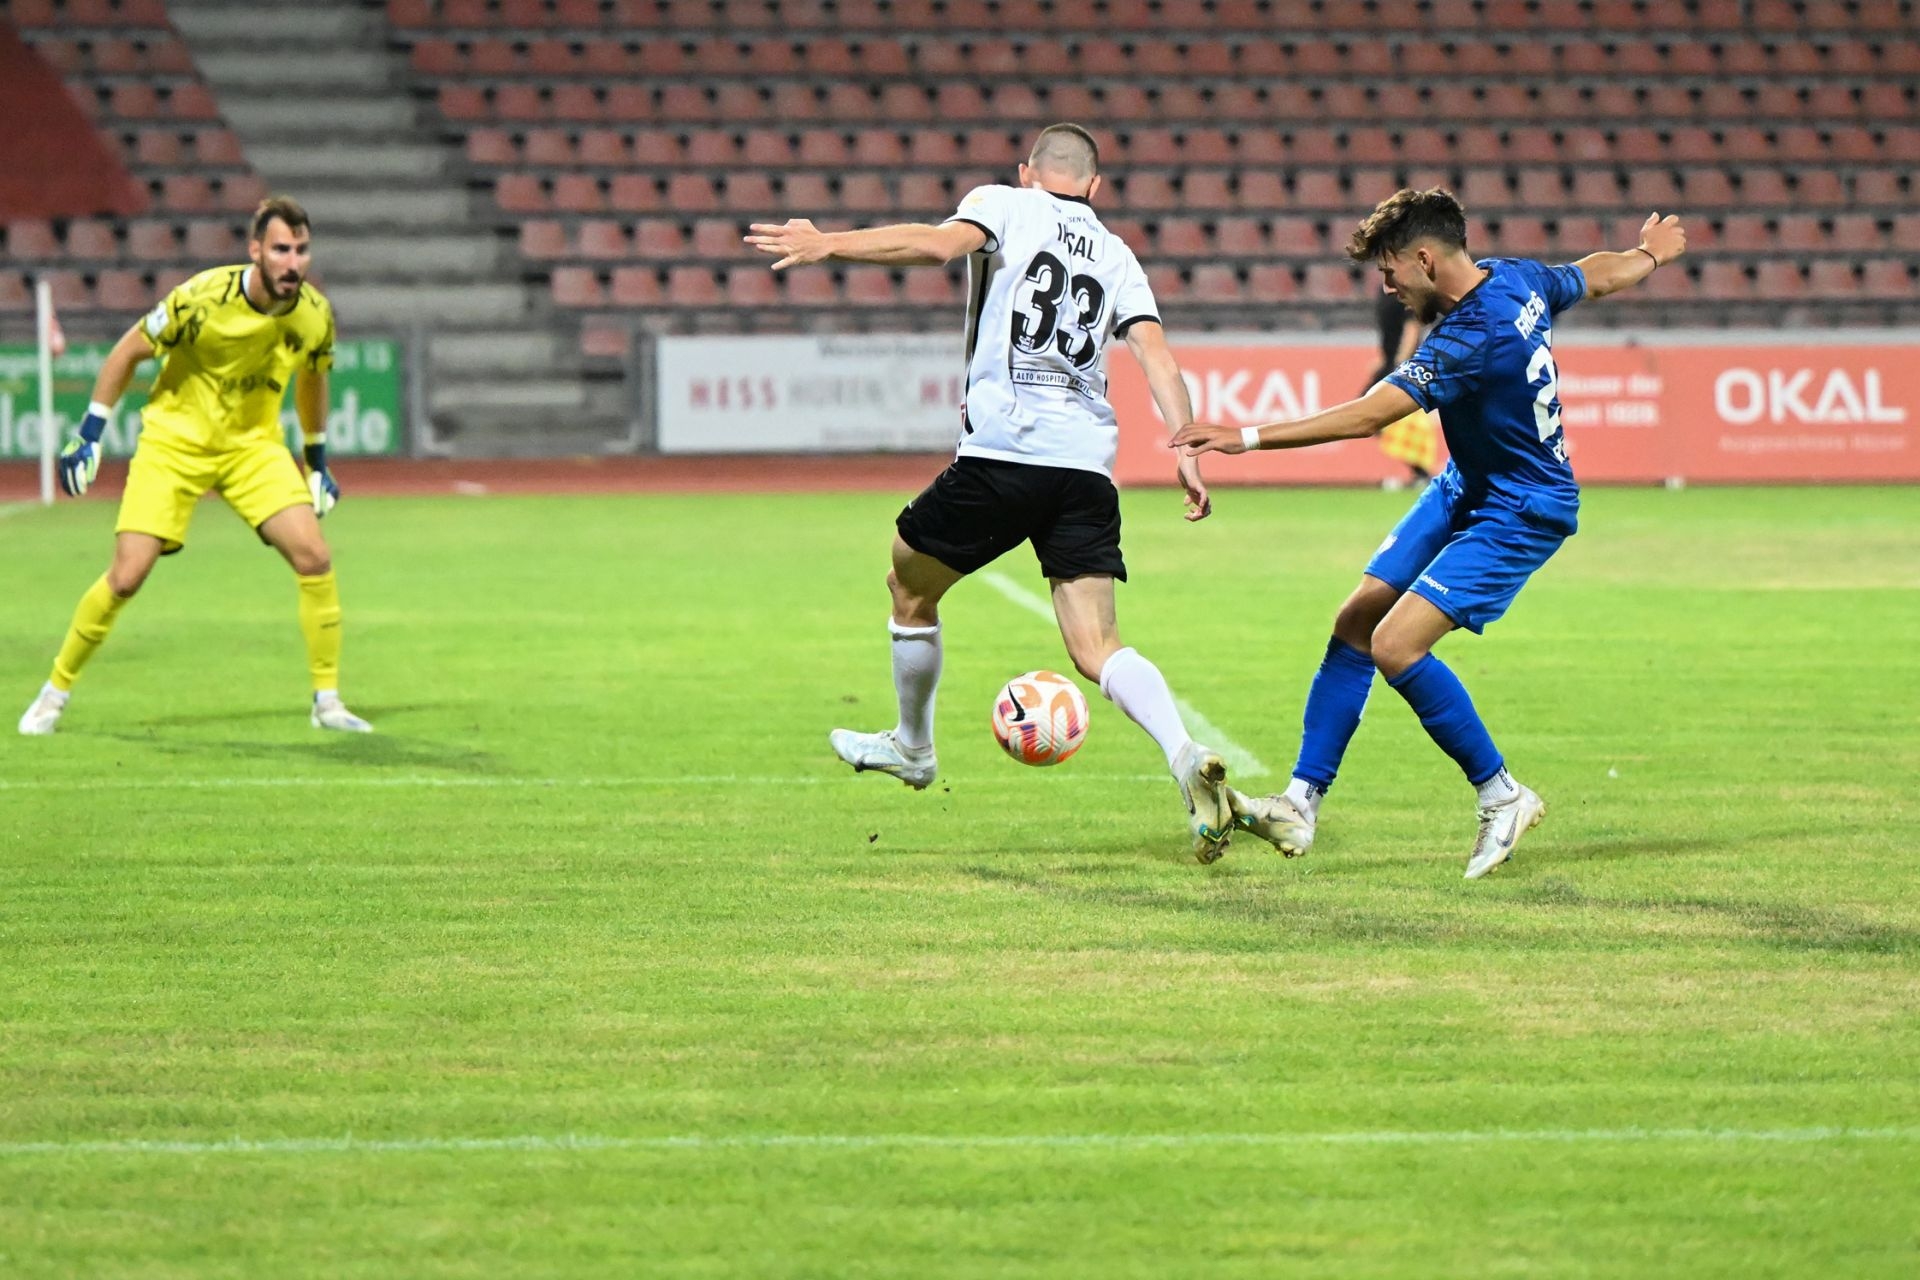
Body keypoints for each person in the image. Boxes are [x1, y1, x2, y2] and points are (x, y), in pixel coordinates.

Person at [746, 123, 1237, 861]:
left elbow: (937, 245)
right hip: (1086, 469)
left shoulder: (1002, 202)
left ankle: (913, 747)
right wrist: (1187, 447)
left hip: (1005, 453)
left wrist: (829, 244)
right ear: (1096, 187)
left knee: (908, 582)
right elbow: (1157, 356)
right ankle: (1182, 752)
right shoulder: (1117, 253)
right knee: (1098, 646)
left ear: (1027, 171)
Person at [1172, 188, 1685, 878]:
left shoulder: (1470, 336)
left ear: (1423, 259)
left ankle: (1502, 794)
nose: (1387, 288)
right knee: (1357, 622)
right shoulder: (1517, 277)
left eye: (1389, 273)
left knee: (1395, 644)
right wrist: (1648, 256)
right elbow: (1591, 275)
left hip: (1523, 507)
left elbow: (1368, 416)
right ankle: (1299, 803)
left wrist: (1246, 437)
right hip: (1467, 483)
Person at [18, 196, 372, 736]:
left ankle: (327, 702)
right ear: (256, 251)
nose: (293, 262)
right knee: (127, 575)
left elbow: (313, 379)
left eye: (301, 250)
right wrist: (90, 433)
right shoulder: (202, 298)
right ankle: (54, 691)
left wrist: (316, 460)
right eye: (281, 249)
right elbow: (128, 351)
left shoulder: (315, 315)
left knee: (314, 556)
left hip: (252, 448)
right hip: (174, 444)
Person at [1369, 289, 1439, 484]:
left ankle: (1421, 471)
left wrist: (1401, 362)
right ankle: (1419, 470)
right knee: (1378, 415)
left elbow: (1412, 327)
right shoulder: (1386, 291)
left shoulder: (1404, 288)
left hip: (1401, 364)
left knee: (1376, 413)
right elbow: (1391, 331)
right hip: (1391, 362)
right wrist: (1384, 359)